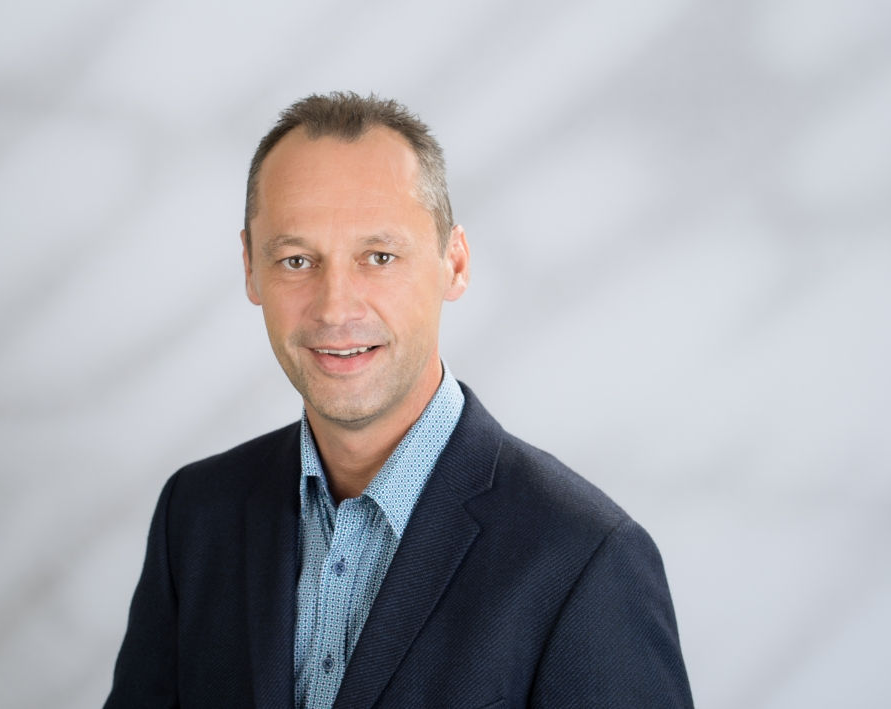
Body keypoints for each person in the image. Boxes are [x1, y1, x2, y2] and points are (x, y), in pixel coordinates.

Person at [105, 92, 692, 708]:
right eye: (297, 260)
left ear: (454, 263)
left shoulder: (584, 559)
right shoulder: (196, 516)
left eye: (379, 257)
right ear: (251, 267)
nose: (335, 308)